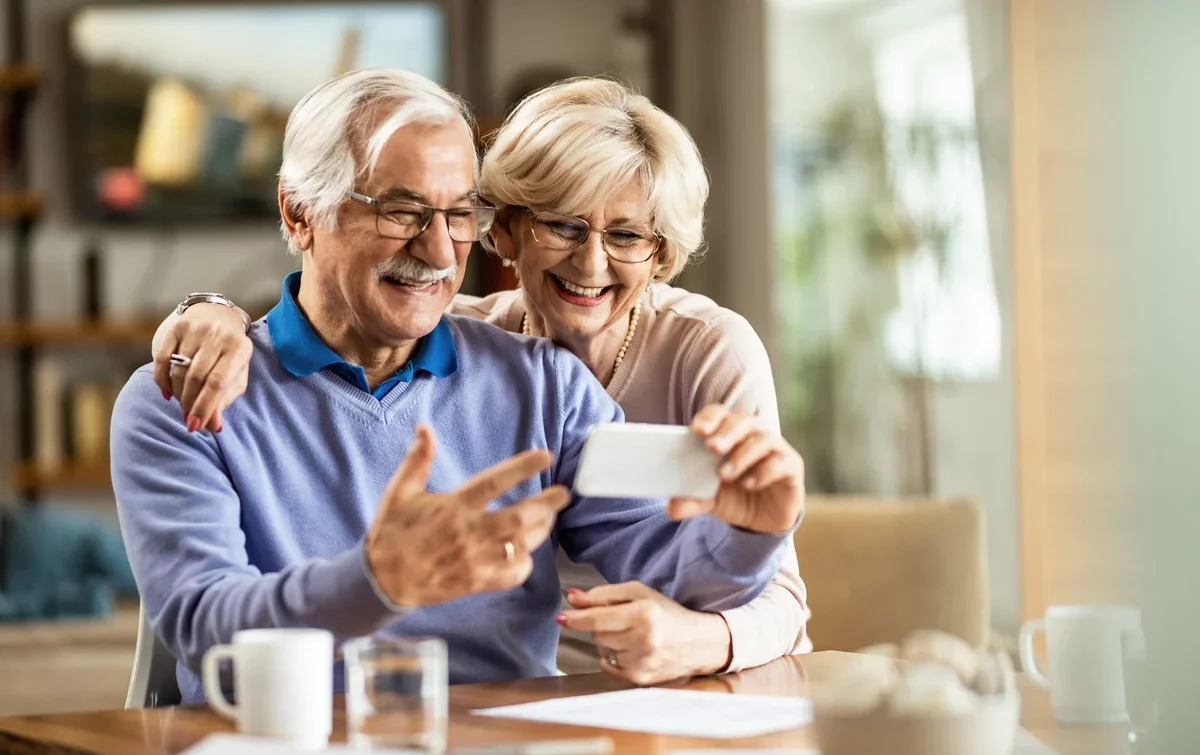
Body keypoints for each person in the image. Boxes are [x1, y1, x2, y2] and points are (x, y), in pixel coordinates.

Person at [113, 69, 804, 703]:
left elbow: (671, 568)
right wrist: (377, 581)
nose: (440, 252)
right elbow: (204, 625)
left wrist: (750, 530)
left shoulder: (542, 381)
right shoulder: (178, 399)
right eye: (402, 212)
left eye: (457, 215)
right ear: (299, 214)